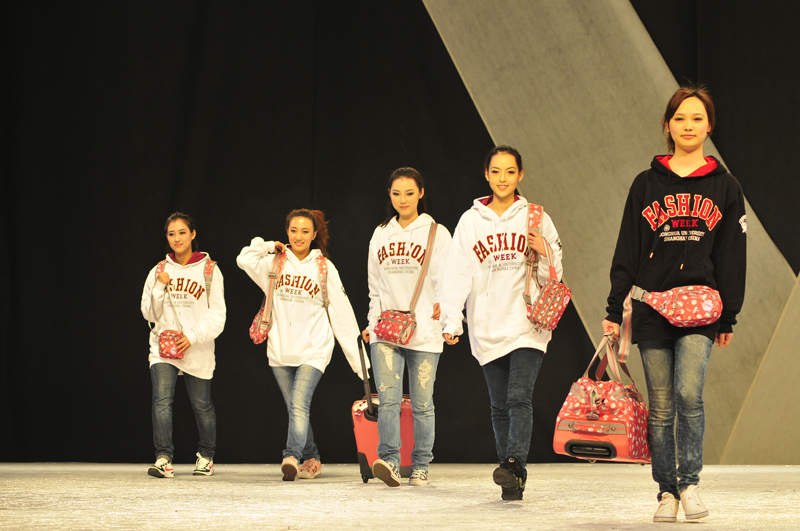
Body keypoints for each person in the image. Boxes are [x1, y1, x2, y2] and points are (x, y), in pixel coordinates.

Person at [602, 85, 746, 523]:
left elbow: (732, 255)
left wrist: (729, 315)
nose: (688, 126)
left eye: (697, 118)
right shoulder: (645, 184)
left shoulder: (726, 186)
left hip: (701, 308)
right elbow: (627, 249)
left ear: (709, 126)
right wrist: (614, 310)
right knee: (661, 404)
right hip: (651, 306)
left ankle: (690, 483)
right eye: (680, 118)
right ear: (667, 126)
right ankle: (667, 490)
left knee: (689, 394)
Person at [438, 146, 564, 500]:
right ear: (486, 175)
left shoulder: (536, 217)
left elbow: (555, 274)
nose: (503, 178)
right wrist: (451, 318)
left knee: (518, 397)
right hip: (486, 325)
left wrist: (545, 250)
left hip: (528, 323)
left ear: (520, 175)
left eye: (510, 171)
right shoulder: (470, 221)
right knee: (498, 405)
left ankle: (513, 463)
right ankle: (511, 476)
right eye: (496, 171)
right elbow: (456, 273)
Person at [237, 209, 366, 481]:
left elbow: (343, 315)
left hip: (314, 349)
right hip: (280, 349)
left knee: (298, 404)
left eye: (305, 231)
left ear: (314, 234)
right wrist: (268, 246)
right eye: (294, 230)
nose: (298, 236)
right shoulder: (274, 263)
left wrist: (361, 364)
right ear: (287, 232)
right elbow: (243, 258)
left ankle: (291, 456)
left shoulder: (324, 268)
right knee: (296, 408)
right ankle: (312, 458)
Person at [361, 168, 452, 487]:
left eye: (409, 193)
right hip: (386, 331)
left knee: (423, 403)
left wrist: (450, 322)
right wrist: (371, 323)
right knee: (388, 399)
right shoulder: (380, 234)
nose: (403, 199)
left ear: (421, 193)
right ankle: (389, 460)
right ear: (389, 195)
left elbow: (446, 283)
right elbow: (374, 287)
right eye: (396, 193)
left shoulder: (436, 233)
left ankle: (421, 465)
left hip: (425, 331)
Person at [141, 212, 226, 478]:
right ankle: (163, 458)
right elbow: (148, 313)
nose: (177, 238)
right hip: (163, 348)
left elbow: (218, 315)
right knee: (161, 401)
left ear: (193, 234)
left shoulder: (209, 269)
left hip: (196, 347)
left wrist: (192, 336)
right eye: (171, 234)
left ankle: (206, 456)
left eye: (182, 232)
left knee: (201, 404)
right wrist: (159, 287)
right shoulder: (159, 270)